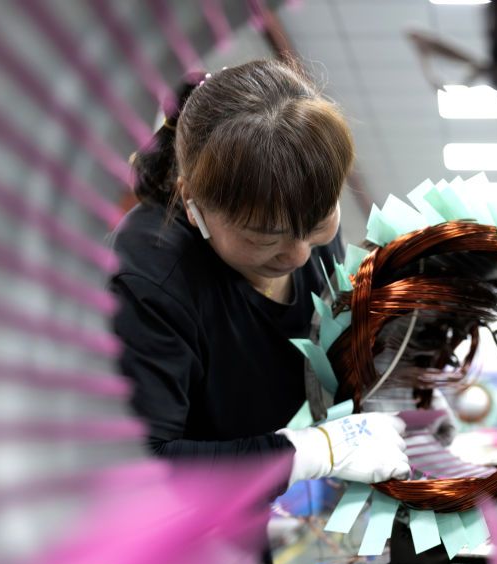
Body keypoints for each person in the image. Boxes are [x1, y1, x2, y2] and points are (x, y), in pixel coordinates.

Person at [110, 60, 411, 502]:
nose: (299, 256)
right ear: (193, 204)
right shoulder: (148, 281)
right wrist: (311, 452)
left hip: (253, 503)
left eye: (319, 223)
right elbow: (140, 465)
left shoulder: (299, 219)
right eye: (264, 239)